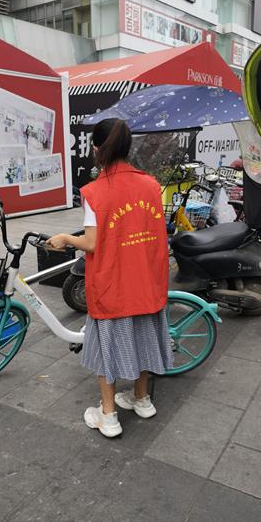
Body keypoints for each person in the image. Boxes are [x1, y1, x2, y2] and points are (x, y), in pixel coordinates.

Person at [47, 119, 173, 438]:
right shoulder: (150, 185)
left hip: (114, 287)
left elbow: (91, 243)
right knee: (143, 342)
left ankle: (109, 416)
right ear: (127, 148)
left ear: (96, 149)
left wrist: (65, 238)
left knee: (107, 351)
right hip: (147, 284)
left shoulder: (95, 192)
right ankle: (142, 400)